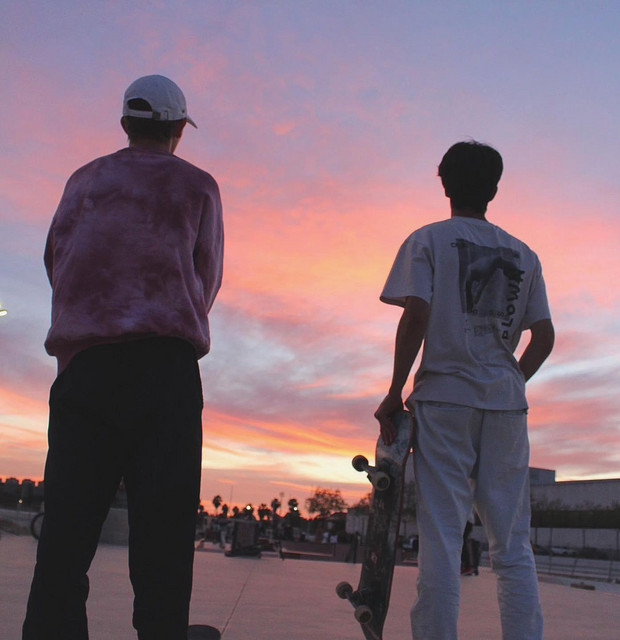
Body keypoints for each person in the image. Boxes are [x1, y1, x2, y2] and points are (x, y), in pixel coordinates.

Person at [23, 74, 224, 640]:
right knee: (163, 531)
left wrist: (90, 321)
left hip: (86, 369)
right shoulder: (198, 185)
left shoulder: (83, 179)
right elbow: (206, 276)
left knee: (66, 529)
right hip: (164, 371)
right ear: (178, 128)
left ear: (125, 124)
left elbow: (57, 259)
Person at [375, 141, 554, 640]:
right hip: (505, 404)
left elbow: (417, 313)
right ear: (494, 190)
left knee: (442, 540)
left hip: (444, 401)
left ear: (444, 184)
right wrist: (508, 383)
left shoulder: (428, 240)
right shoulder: (525, 254)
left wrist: (394, 391)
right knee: (512, 545)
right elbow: (543, 337)